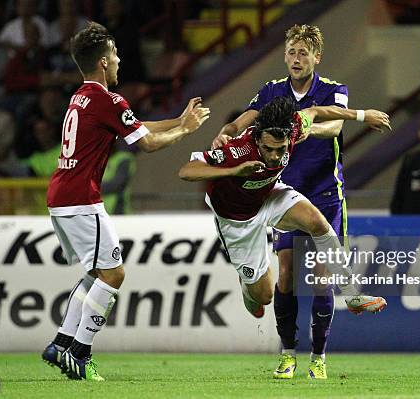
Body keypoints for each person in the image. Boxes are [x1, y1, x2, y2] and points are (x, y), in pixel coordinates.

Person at [210, 24, 390, 380]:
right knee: (288, 275)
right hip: (285, 193)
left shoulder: (333, 90)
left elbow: (332, 126)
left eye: (303, 53)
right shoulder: (272, 92)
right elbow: (246, 121)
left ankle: (319, 358)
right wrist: (227, 131)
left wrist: (311, 127)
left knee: (322, 279)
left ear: (316, 57)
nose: (296, 58)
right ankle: (287, 353)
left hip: (325, 193)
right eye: (291, 52)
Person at [41, 22, 210, 381]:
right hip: (82, 199)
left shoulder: (82, 97)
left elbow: (135, 124)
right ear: (103, 62)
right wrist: (186, 131)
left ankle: (60, 344)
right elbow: (145, 143)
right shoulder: (109, 99)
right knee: (114, 274)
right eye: (115, 54)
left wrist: (177, 119)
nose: (119, 60)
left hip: (62, 196)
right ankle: (80, 353)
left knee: (95, 273)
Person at [180, 97, 389, 378]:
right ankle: (247, 286)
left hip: (270, 195)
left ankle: (352, 295)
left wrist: (362, 114)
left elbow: (317, 111)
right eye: (268, 149)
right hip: (238, 220)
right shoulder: (236, 149)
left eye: (280, 151)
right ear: (257, 137)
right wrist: (233, 171)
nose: (275, 157)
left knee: (317, 222)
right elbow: (186, 170)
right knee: (263, 296)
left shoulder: (292, 129)